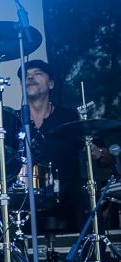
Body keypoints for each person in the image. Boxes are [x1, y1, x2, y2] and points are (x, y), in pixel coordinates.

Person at [18, 59, 112, 232]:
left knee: (84, 191)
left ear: (51, 84)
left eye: (38, 73)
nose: (30, 78)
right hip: (26, 193)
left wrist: (98, 153)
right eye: (26, 76)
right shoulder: (14, 121)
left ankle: (91, 247)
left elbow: (107, 159)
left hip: (67, 191)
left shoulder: (70, 117)